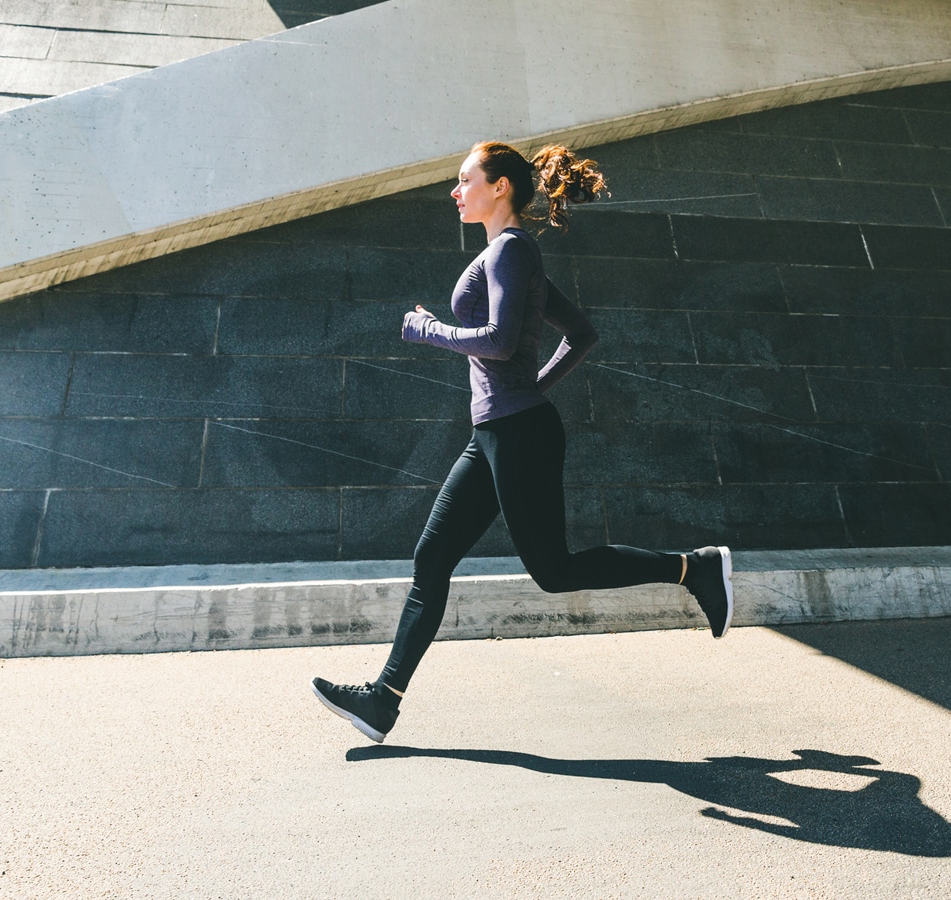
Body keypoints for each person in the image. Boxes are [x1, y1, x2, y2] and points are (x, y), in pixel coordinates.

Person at [312, 141, 733, 744]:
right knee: (432, 558)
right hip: (496, 431)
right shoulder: (513, 254)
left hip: (517, 434)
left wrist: (430, 329)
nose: (455, 192)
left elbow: (501, 341)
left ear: (500, 186)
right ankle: (384, 700)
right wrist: (528, 388)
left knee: (554, 571)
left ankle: (696, 568)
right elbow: (581, 334)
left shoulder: (509, 251)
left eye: (465, 180)